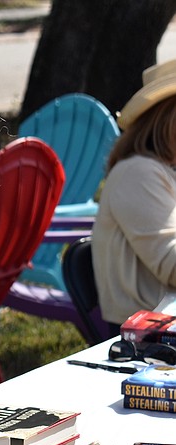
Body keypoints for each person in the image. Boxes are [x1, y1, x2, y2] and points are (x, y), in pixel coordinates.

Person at [92, 59, 176, 327]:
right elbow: (171, 265)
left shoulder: (158, 169)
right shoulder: (138, 173)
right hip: (149, 333)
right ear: (168, 118)